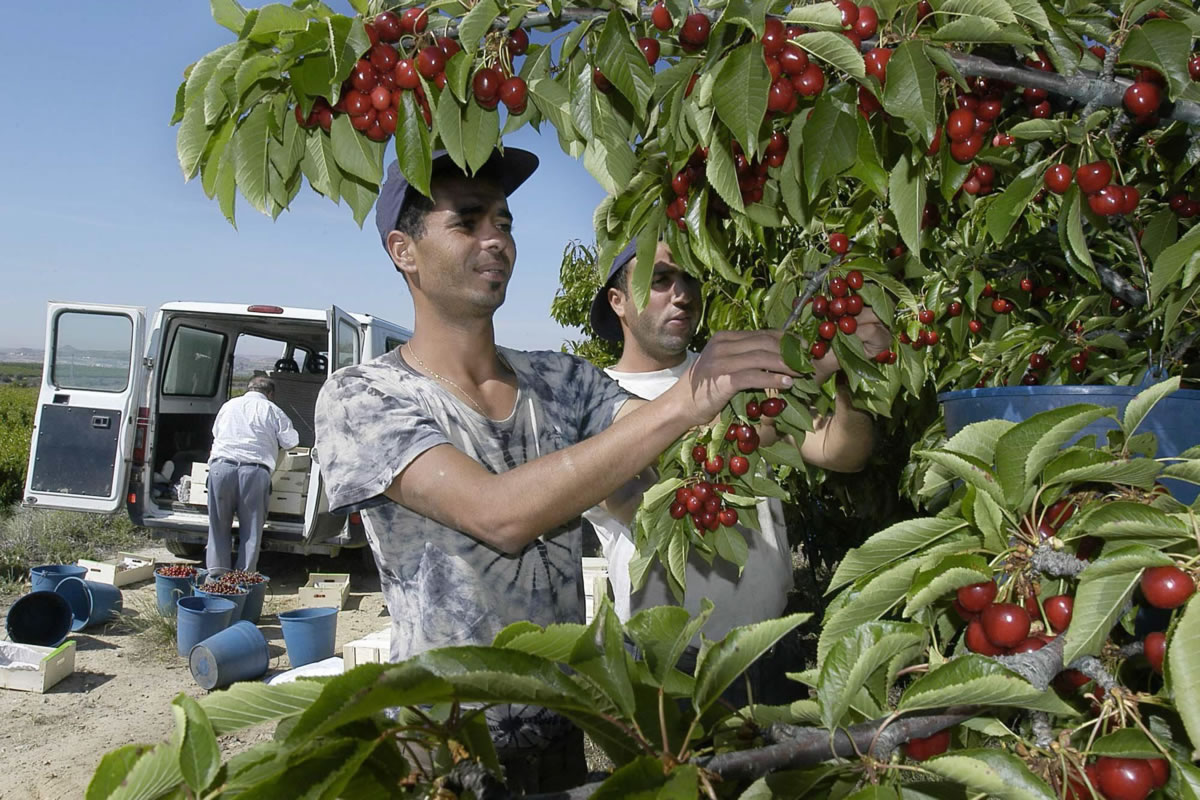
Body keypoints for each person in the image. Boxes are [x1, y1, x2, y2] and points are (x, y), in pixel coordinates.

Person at [313, 147, 800, 791]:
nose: (496, 239)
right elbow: (497, 514)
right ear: (404, 250)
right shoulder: (362, 397)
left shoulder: (561, 380)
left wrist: (804, 367)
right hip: (446, 744)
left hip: (565, 727)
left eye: (504, 222)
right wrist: (687, 398)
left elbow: (685, 457)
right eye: (467, 221)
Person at [583, 240, 885, 706]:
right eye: (660, 280)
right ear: (618, 300)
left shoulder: (729, 368)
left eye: (688, 279)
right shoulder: (594, 399)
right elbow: (649, 498)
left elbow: (841, 450)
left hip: (773, 648)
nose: (682, 293)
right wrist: (809, 368)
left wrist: (855, 374)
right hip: (675, 665)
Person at [206, 376, 299, 572]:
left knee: (218, 527)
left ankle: (215, 577)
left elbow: (216, 432)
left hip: (221, 468)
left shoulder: (228, 406)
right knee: (251, 530)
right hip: (254, 472)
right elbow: (291, 442)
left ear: (248, 389)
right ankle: (244, 579)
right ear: (270, 394)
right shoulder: (273, 410)